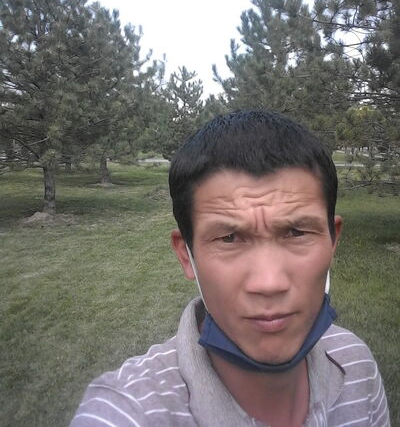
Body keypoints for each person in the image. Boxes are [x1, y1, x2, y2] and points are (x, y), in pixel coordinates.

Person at [70, 110, 390, 427]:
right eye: (229, 238)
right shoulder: (126, 413)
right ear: (186, 256)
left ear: (333, 241)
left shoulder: (355, 362)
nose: (269, 282)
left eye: (296, 232)